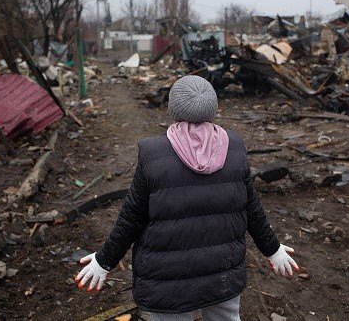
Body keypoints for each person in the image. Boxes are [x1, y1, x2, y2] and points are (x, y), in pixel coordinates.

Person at [75, 75, 299, 321]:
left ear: (173, 110)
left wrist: (104, 261)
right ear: (212, 109)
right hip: (222, 274)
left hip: (168, 282)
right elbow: (252, 209)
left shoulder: (153, 154)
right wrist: (273, 250)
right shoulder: (234, 148)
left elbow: (132, 217)